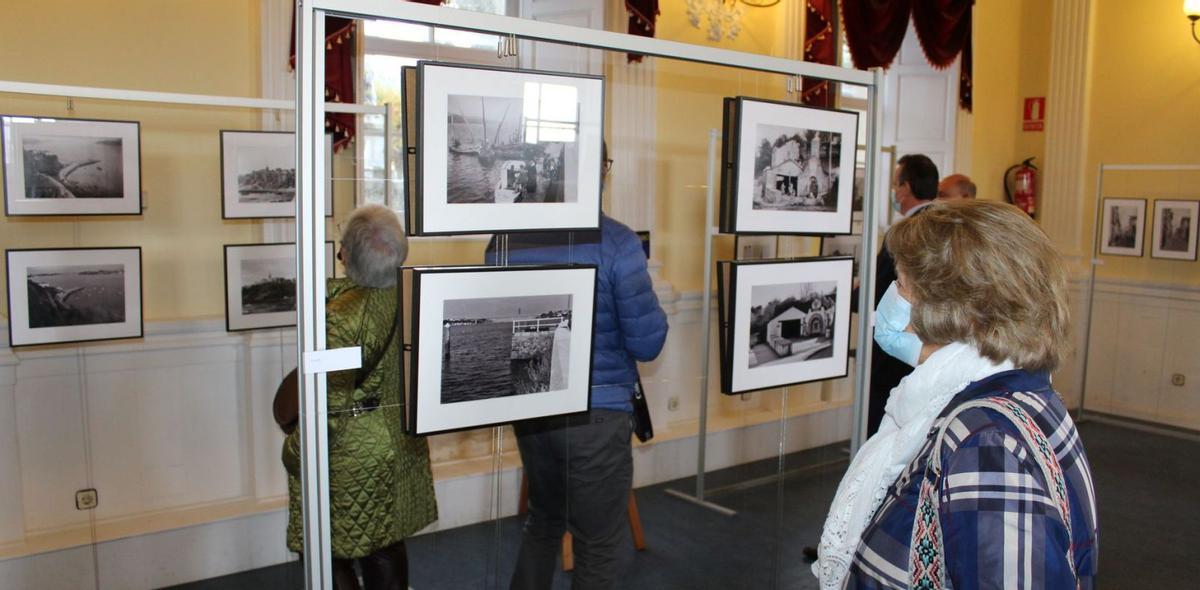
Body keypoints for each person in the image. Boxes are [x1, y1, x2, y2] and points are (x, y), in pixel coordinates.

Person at [814, 200, 1099, 589]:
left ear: (950, 308)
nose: (891, 297)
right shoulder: (1006, 393)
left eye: (899, 284)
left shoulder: (987, 440)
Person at [491, 143, 669, 590]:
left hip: (532, 410)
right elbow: (648, 343)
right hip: (597, 416)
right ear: (595, 171)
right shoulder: (618, 243)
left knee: (543, 522)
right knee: (596, 545)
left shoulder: (504, 238)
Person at [281, 204, 437, 590]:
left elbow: (328, 402)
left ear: (347, 255)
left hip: (354, 453)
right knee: (384, 543)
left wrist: (295, 453)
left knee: (328, 550)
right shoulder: (412, 294)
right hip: (399, 440)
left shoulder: (342, 316)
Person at [866, 153, 940, 436]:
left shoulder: (905, 232)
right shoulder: (946, 225)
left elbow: (883, 285)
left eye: (897, 184)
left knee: (884, 428)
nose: (895, 192)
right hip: (930, 344)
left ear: (906, 187)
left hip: (898, 350)